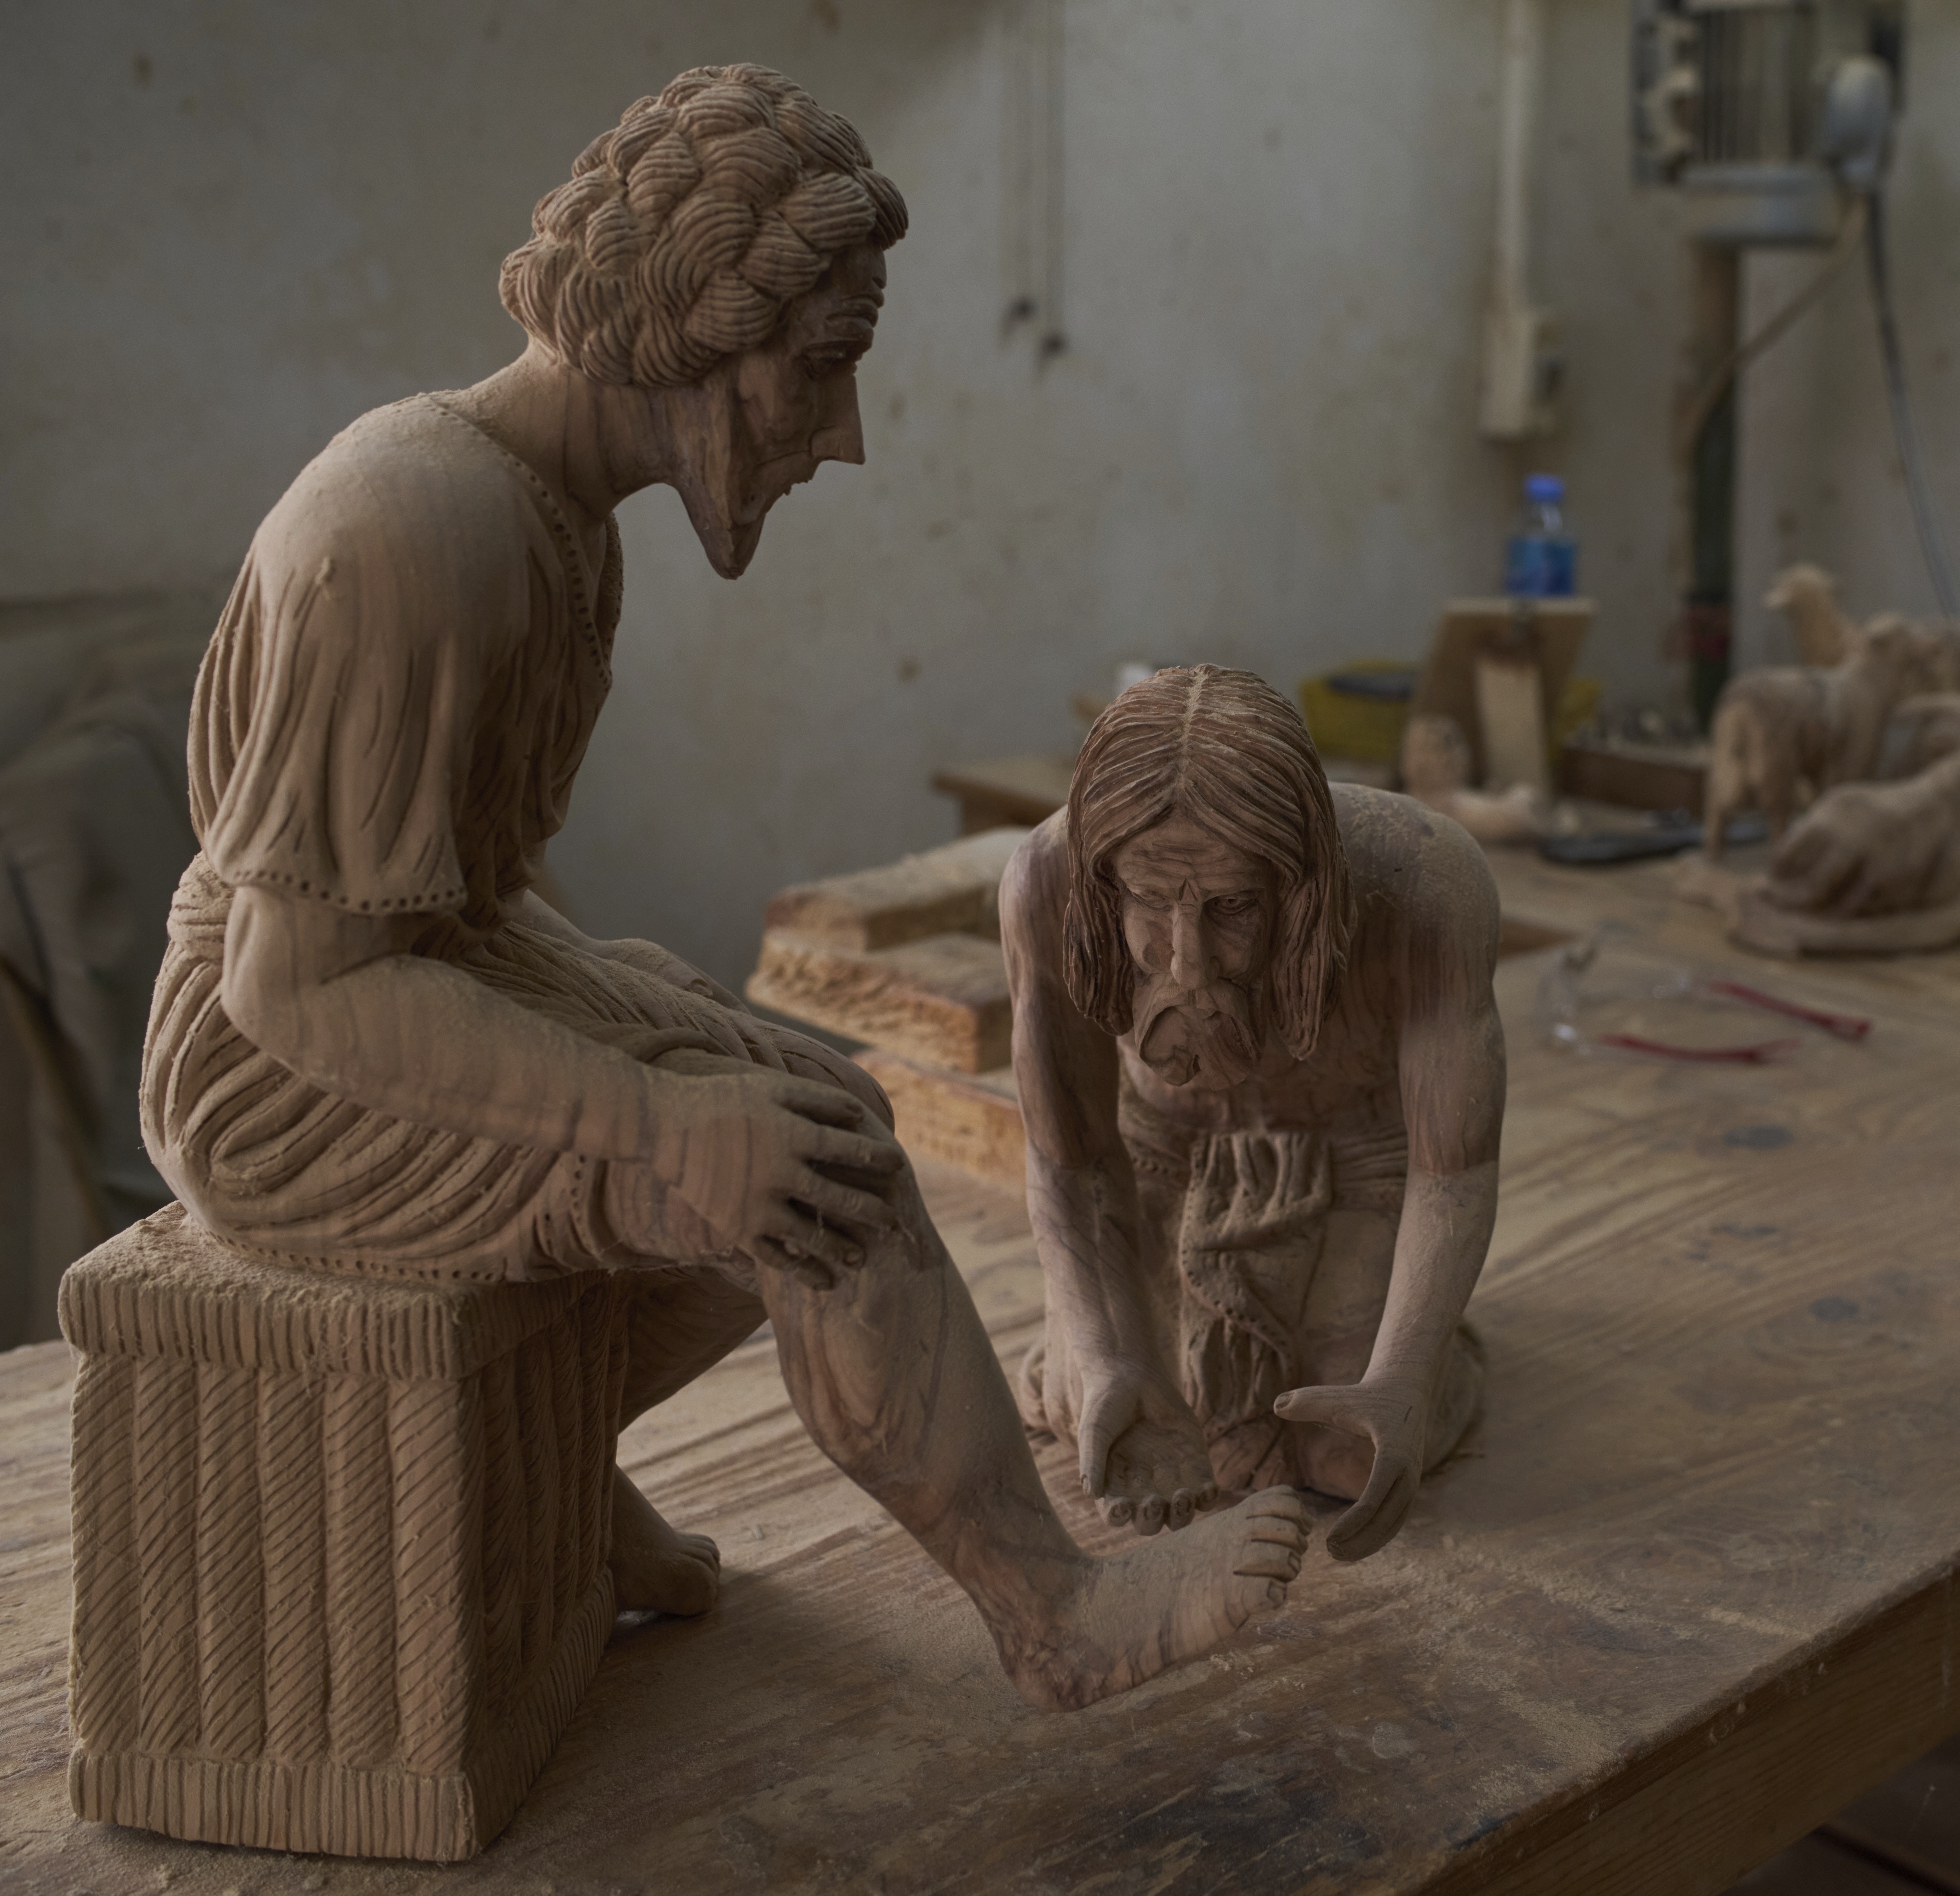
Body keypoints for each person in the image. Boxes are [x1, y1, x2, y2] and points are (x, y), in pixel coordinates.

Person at [143, 65, 1306, 1711]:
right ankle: (1052, 1612)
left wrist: (653, 1027)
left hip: (378, 990)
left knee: (807, 1088)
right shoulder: (413, 534)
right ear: (687, 324)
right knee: (804, 1179)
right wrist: (649, 1112)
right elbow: (298, 980)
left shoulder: (555, 525)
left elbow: (463, 894)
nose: (840, 437)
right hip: (272, 1080)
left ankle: (543, 1469)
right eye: (816, 368)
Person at [1002, 666, 1505, 1563]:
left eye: (1234, 908)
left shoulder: (1425, 884)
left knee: (1350, 1450)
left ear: (1301, 885)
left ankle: (1413, 1362)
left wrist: (1402, 1373)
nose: (1188, 963)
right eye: (1151, 903)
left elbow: (1452, 1166)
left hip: (1358, 1155)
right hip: (1163, 1152)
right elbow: (1072, 1158)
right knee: (1145, 1409)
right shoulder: (1047, 884)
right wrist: (1102, 1345)